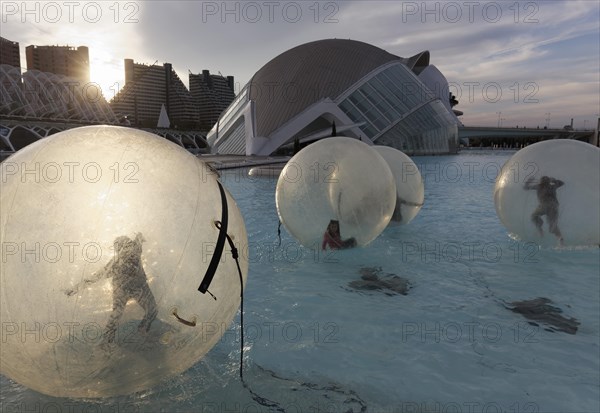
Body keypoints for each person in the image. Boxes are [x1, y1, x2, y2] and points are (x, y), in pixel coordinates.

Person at [66, 232, 158, 345]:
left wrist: (140, 237)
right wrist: (75, 289)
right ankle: (107, 342)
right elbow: (96, 277)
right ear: (119, 251)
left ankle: (142, 330)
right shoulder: (115, 263)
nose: (128, 252)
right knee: (116, 315)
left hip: (139, 287)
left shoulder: (135, 250)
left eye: (129, 247)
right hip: (122, 290)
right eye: (123, 249)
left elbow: (138, 240)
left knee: (152, 310)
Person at [523, 176, 564, 245]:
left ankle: (540, 230)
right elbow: (562, 183)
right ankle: (560, 238)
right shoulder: (553, 186)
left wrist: (528, 181)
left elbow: (525, 188)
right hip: (553, 207)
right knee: (552, 227)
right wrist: (554, 180)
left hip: (544, 206)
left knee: (533, 216)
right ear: (548, 181)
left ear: (541, 182)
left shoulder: (538, 186)